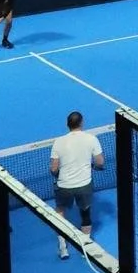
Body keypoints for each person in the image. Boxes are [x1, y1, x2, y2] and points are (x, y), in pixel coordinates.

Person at [49, 111, 104, 260]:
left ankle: (62, 247)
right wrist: (93, 167)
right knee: (85, 213)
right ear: (81, 123)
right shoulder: (91, 139)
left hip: (64, 185)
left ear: (68, 125)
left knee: (60, 212)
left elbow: (53, 168)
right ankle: (85, 247)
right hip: (84, 185)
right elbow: (100, 163)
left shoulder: (58, 142)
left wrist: (57, 175)